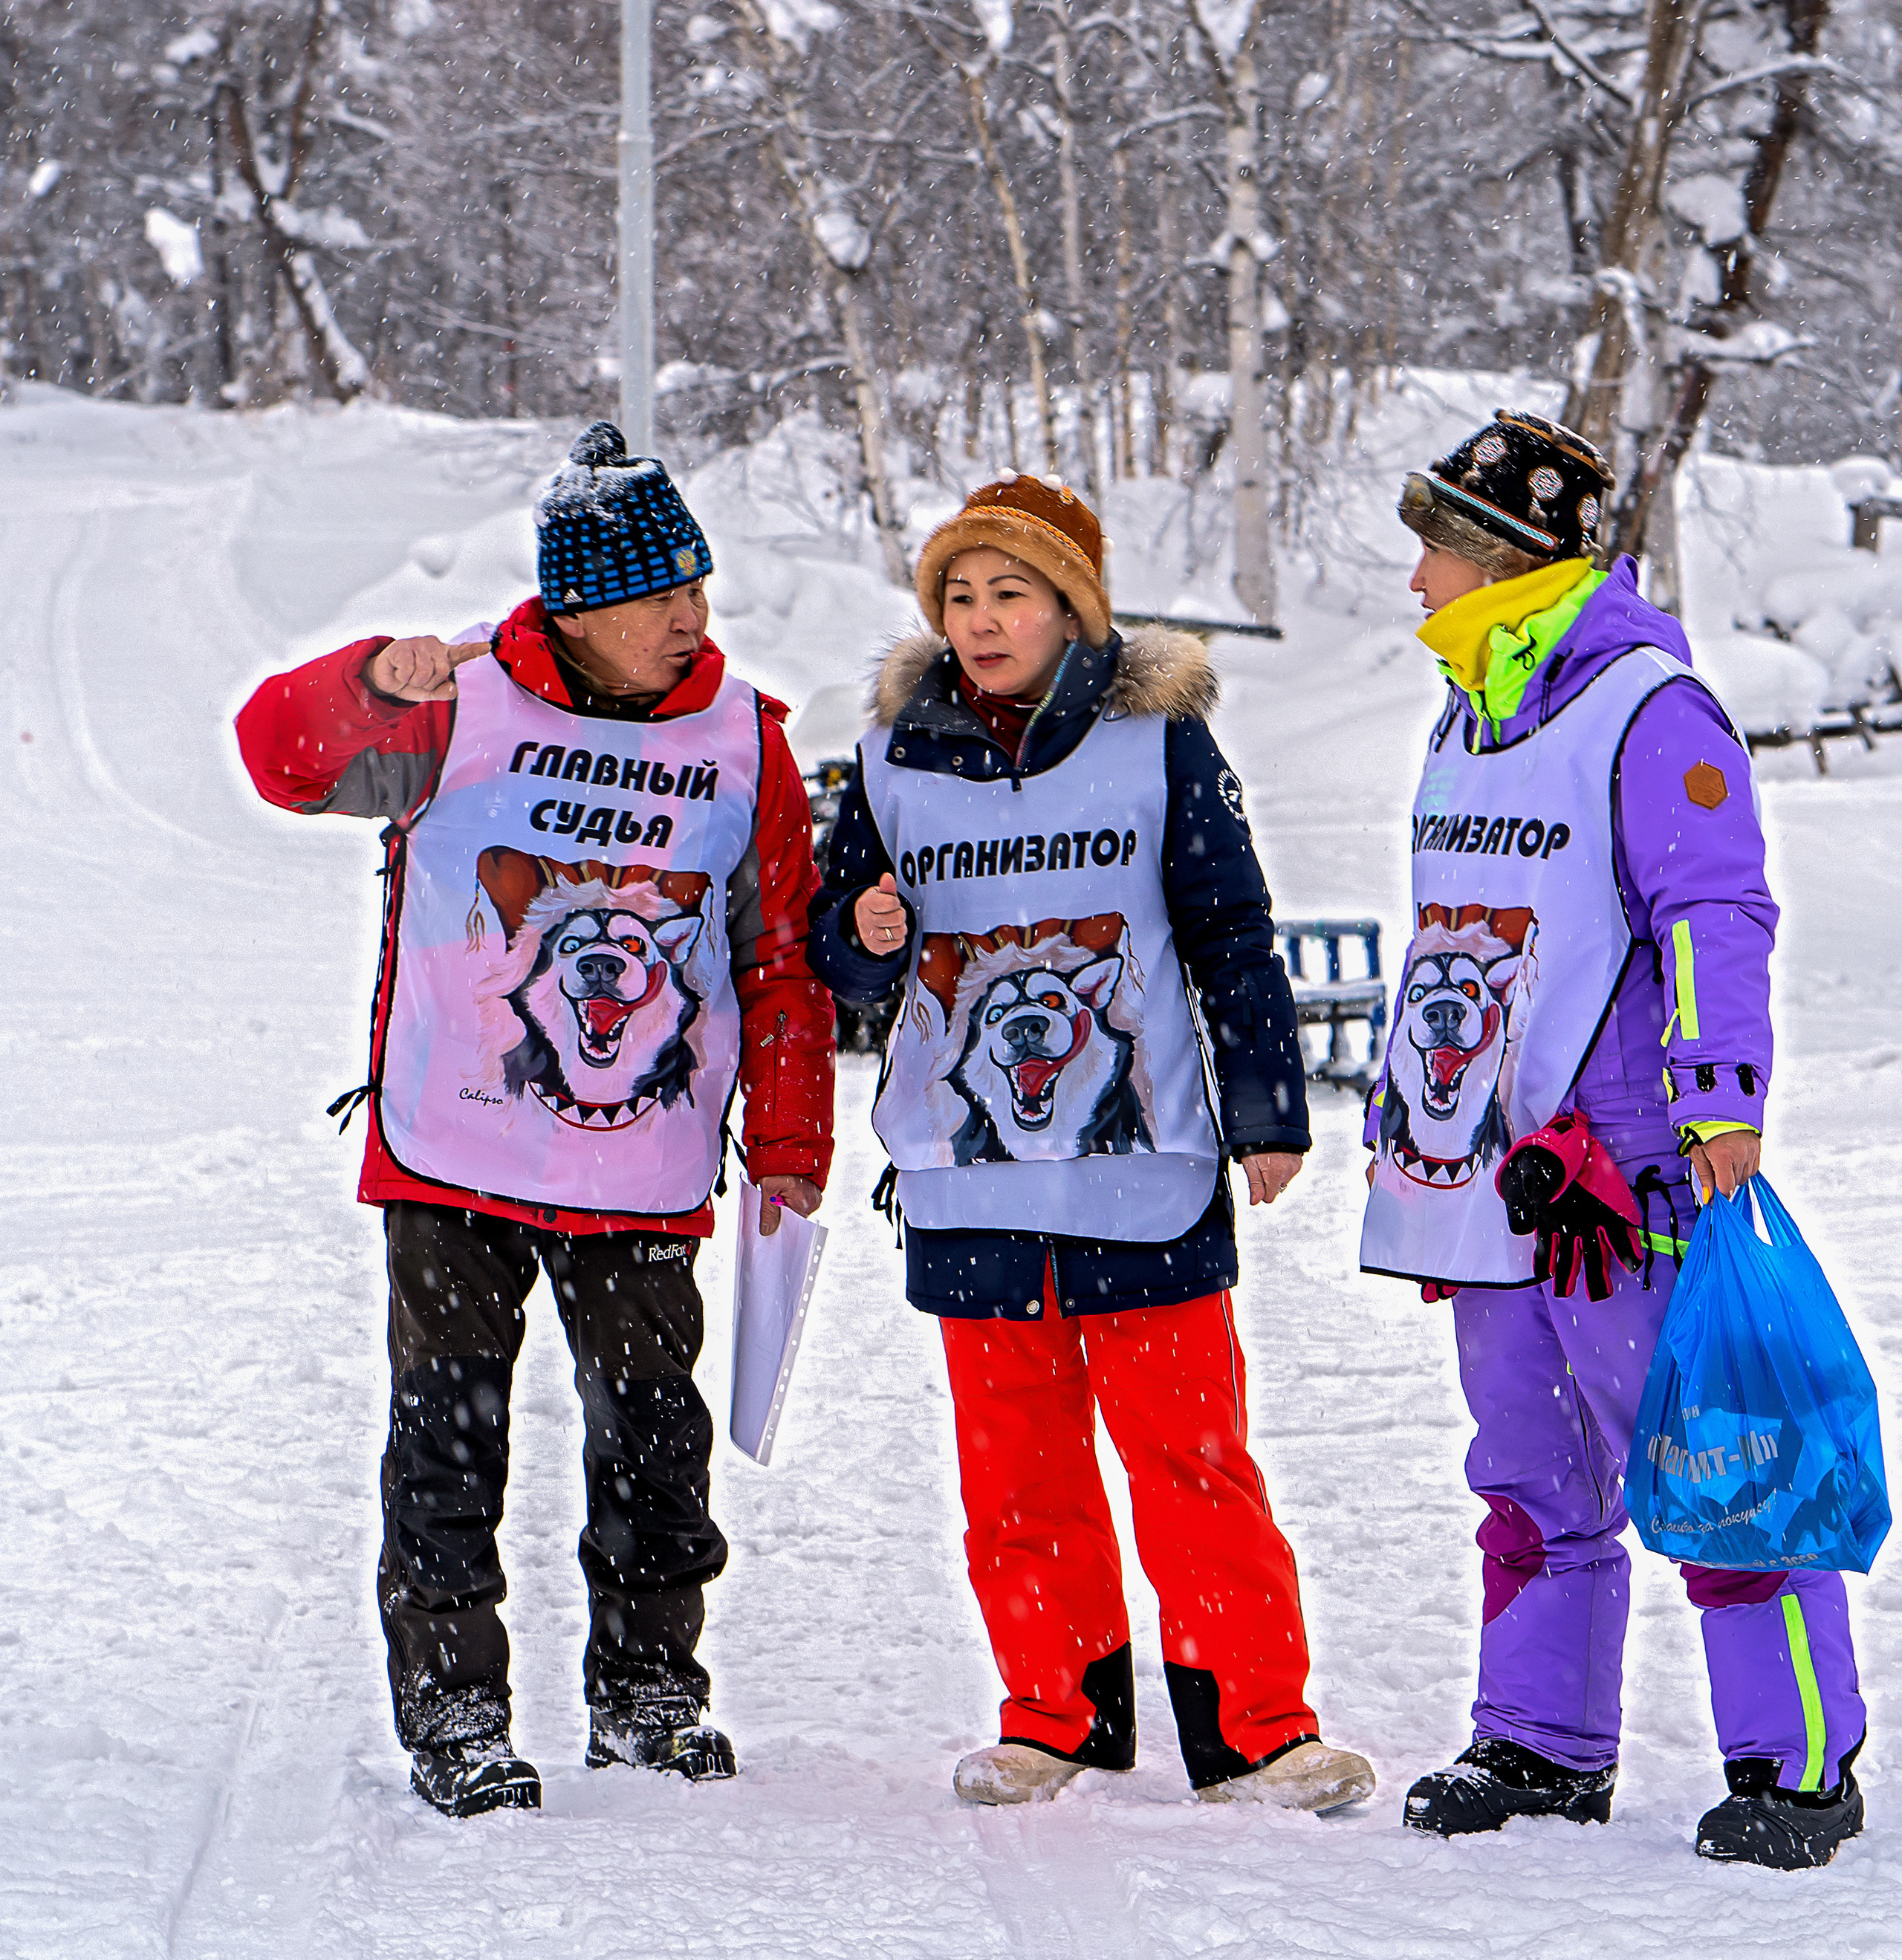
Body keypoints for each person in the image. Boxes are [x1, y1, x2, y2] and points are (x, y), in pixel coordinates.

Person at [234, 423, 834, 1819]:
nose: (694, 616)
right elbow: (279, 758)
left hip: (645, 1161)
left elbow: (782, 951)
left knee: (654, 1441)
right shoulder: (454, 704)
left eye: (700, 587)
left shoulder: (746, 738)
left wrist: (792, 1142)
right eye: (662, 595)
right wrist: (362, 682)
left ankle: (647, 1696)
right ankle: (454, 1712)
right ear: (580, 606)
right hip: (457, 1149)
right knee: (448, 1440)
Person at [808, 473, 1375, 1811]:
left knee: (1193, 1461)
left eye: (1012, 592)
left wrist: (1268, 1113)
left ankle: (1258, 1729)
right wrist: (866, 937)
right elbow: (838, 948)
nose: (983, 618)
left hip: (1146, 1173)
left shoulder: (1158, 743)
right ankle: (1053, 1716)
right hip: (965, 1177)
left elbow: (1232, 931)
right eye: (959, 595)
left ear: (1075, 608)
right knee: (1018, 1473)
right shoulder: (892, 759)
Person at [1361, 409, 1866, 1867]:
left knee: (1714, 1459)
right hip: (1492, 1168)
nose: (1413, 584)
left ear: (1511, 560)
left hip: (1627, 1166)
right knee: (1526, 1467)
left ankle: (1795, 1762)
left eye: (1437, 550)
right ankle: (1539, 1736)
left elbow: (1714, 901)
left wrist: (1718, 1091)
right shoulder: (1467, 711)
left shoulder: (1651, 705)